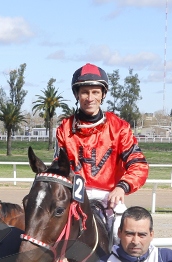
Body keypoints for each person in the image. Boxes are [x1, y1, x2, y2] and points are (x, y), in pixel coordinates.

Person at [55, 63, 149, 211]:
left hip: (110, 198)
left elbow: (139, 165)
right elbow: (58, 168)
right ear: (76, 94)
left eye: (95, 92)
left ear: (103, 94)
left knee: (133, 225)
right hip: (74, 197)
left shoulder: (119, 128)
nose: (90, 98)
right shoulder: (64, 128)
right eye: (85, 92)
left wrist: (122, 187)